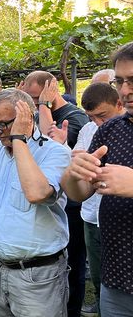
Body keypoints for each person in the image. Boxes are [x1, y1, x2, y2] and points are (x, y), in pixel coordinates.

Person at [0, 88, 71, 316]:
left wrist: (18, 138)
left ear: (27, 116)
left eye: (5, 124)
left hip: (36, 276)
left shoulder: (54, 152)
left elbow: (38, 194)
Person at [61, 42, 133, 316]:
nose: (125, 91)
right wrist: (73, 174)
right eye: (120, 81)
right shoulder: (110, 131)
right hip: (117, 277)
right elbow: (79, 192)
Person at [23, 71, 90, 317]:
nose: (33, 104)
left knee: (72, 264)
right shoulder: (40, 111)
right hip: (50, 200)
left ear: (50, 91)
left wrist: (43, 106)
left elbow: (46, 143)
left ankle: (72, 310)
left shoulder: (74, 117)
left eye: (35, 97)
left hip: (73, 205)